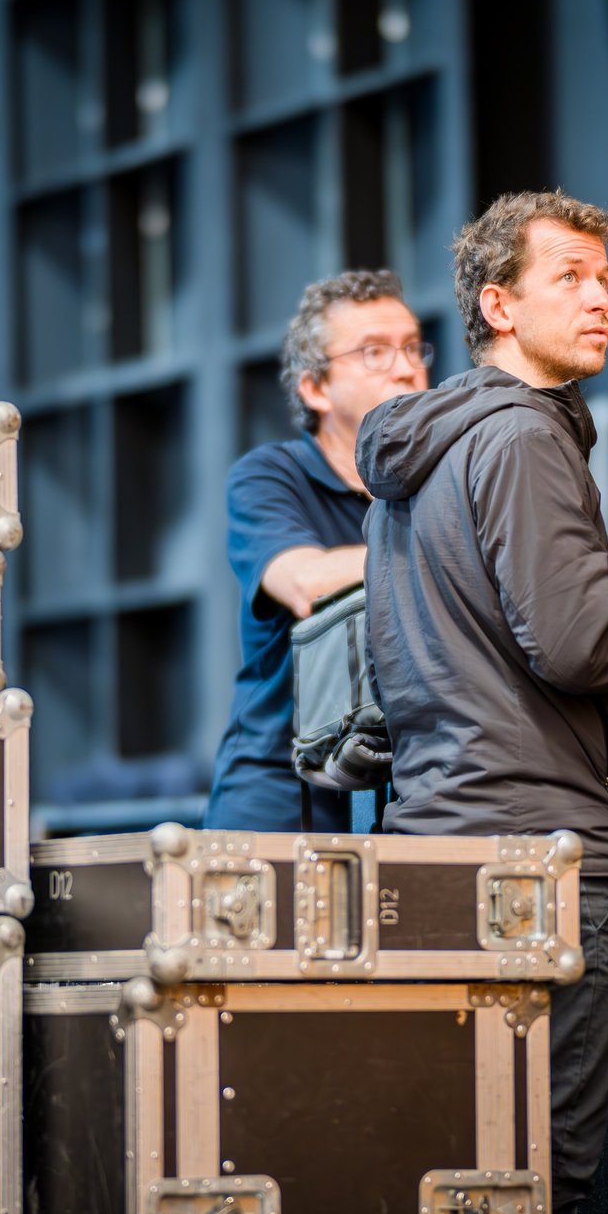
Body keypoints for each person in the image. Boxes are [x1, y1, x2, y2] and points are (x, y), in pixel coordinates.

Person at [354, 191, 608, 1214]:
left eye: (606, 278)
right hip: (542, 857)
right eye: (568, 276)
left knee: (461, 1170)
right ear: (497, 303)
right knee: (540, 1180)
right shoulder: (525, 438)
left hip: (437, 840)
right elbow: (574, 643)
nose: (601, 297)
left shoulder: (415, 457)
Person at [202, 269, 433, 831]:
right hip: (282, 797)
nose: (406, 368)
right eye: (374, 352)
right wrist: (454, 554)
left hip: (406, 793)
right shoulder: (269, 475)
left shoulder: (438, 487)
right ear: (315, 388)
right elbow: (306, 583)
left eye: (410, 348)